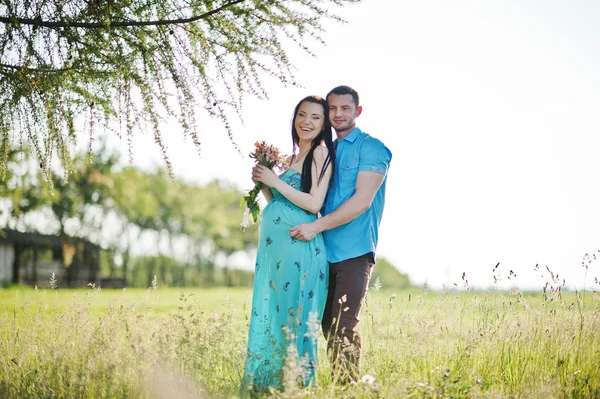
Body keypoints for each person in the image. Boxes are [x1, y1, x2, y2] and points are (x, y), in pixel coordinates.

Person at [289, 86, 392, 383]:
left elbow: (362, 202)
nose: (338, 114)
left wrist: (315, 227)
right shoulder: (325, 150)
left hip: (354, 251)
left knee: (343, 327)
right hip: (319, 250)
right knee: (324, 324)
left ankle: (346, 389)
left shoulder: (373, 149)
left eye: (345, 108)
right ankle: (347, 385)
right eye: (332, 109)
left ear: (357, 111)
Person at [241, 95, 336, 394]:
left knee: (295, 318)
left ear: (323, 125)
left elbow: (313, 203)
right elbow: (280, 202)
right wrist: (265, 184)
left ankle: (298, 387)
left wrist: (276, 180)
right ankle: (274, 386)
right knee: (279, 316)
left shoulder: (320, 155)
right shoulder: (292, 159)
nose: (306, 122)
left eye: (315, 118)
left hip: (301, 248)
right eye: (302, 115)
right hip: (277, 250)